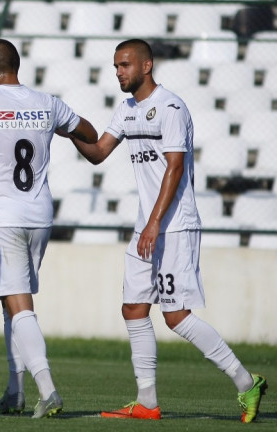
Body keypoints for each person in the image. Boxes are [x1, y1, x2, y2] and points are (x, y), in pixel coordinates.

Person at [63, 38, 267, 422]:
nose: (118, 72)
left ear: (146, 65)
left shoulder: (171, 107)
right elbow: (99, 153)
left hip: (174, 226)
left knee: (176, 316)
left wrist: (155, 222)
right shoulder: (126, 110)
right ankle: (147, 402)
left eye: (125, 65)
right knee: (133, 308)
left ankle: (247, 382)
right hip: (148, 226)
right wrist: (69, 128)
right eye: (115, 66)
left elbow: (175, 167)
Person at [0, 39, 98, 419]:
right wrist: (57, 128)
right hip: (39, 216)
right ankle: (15, 391)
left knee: (19, 304)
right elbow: (90, 134)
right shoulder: (48, 103)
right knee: (11, 304)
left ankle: (47, 389)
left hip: (2, 217)